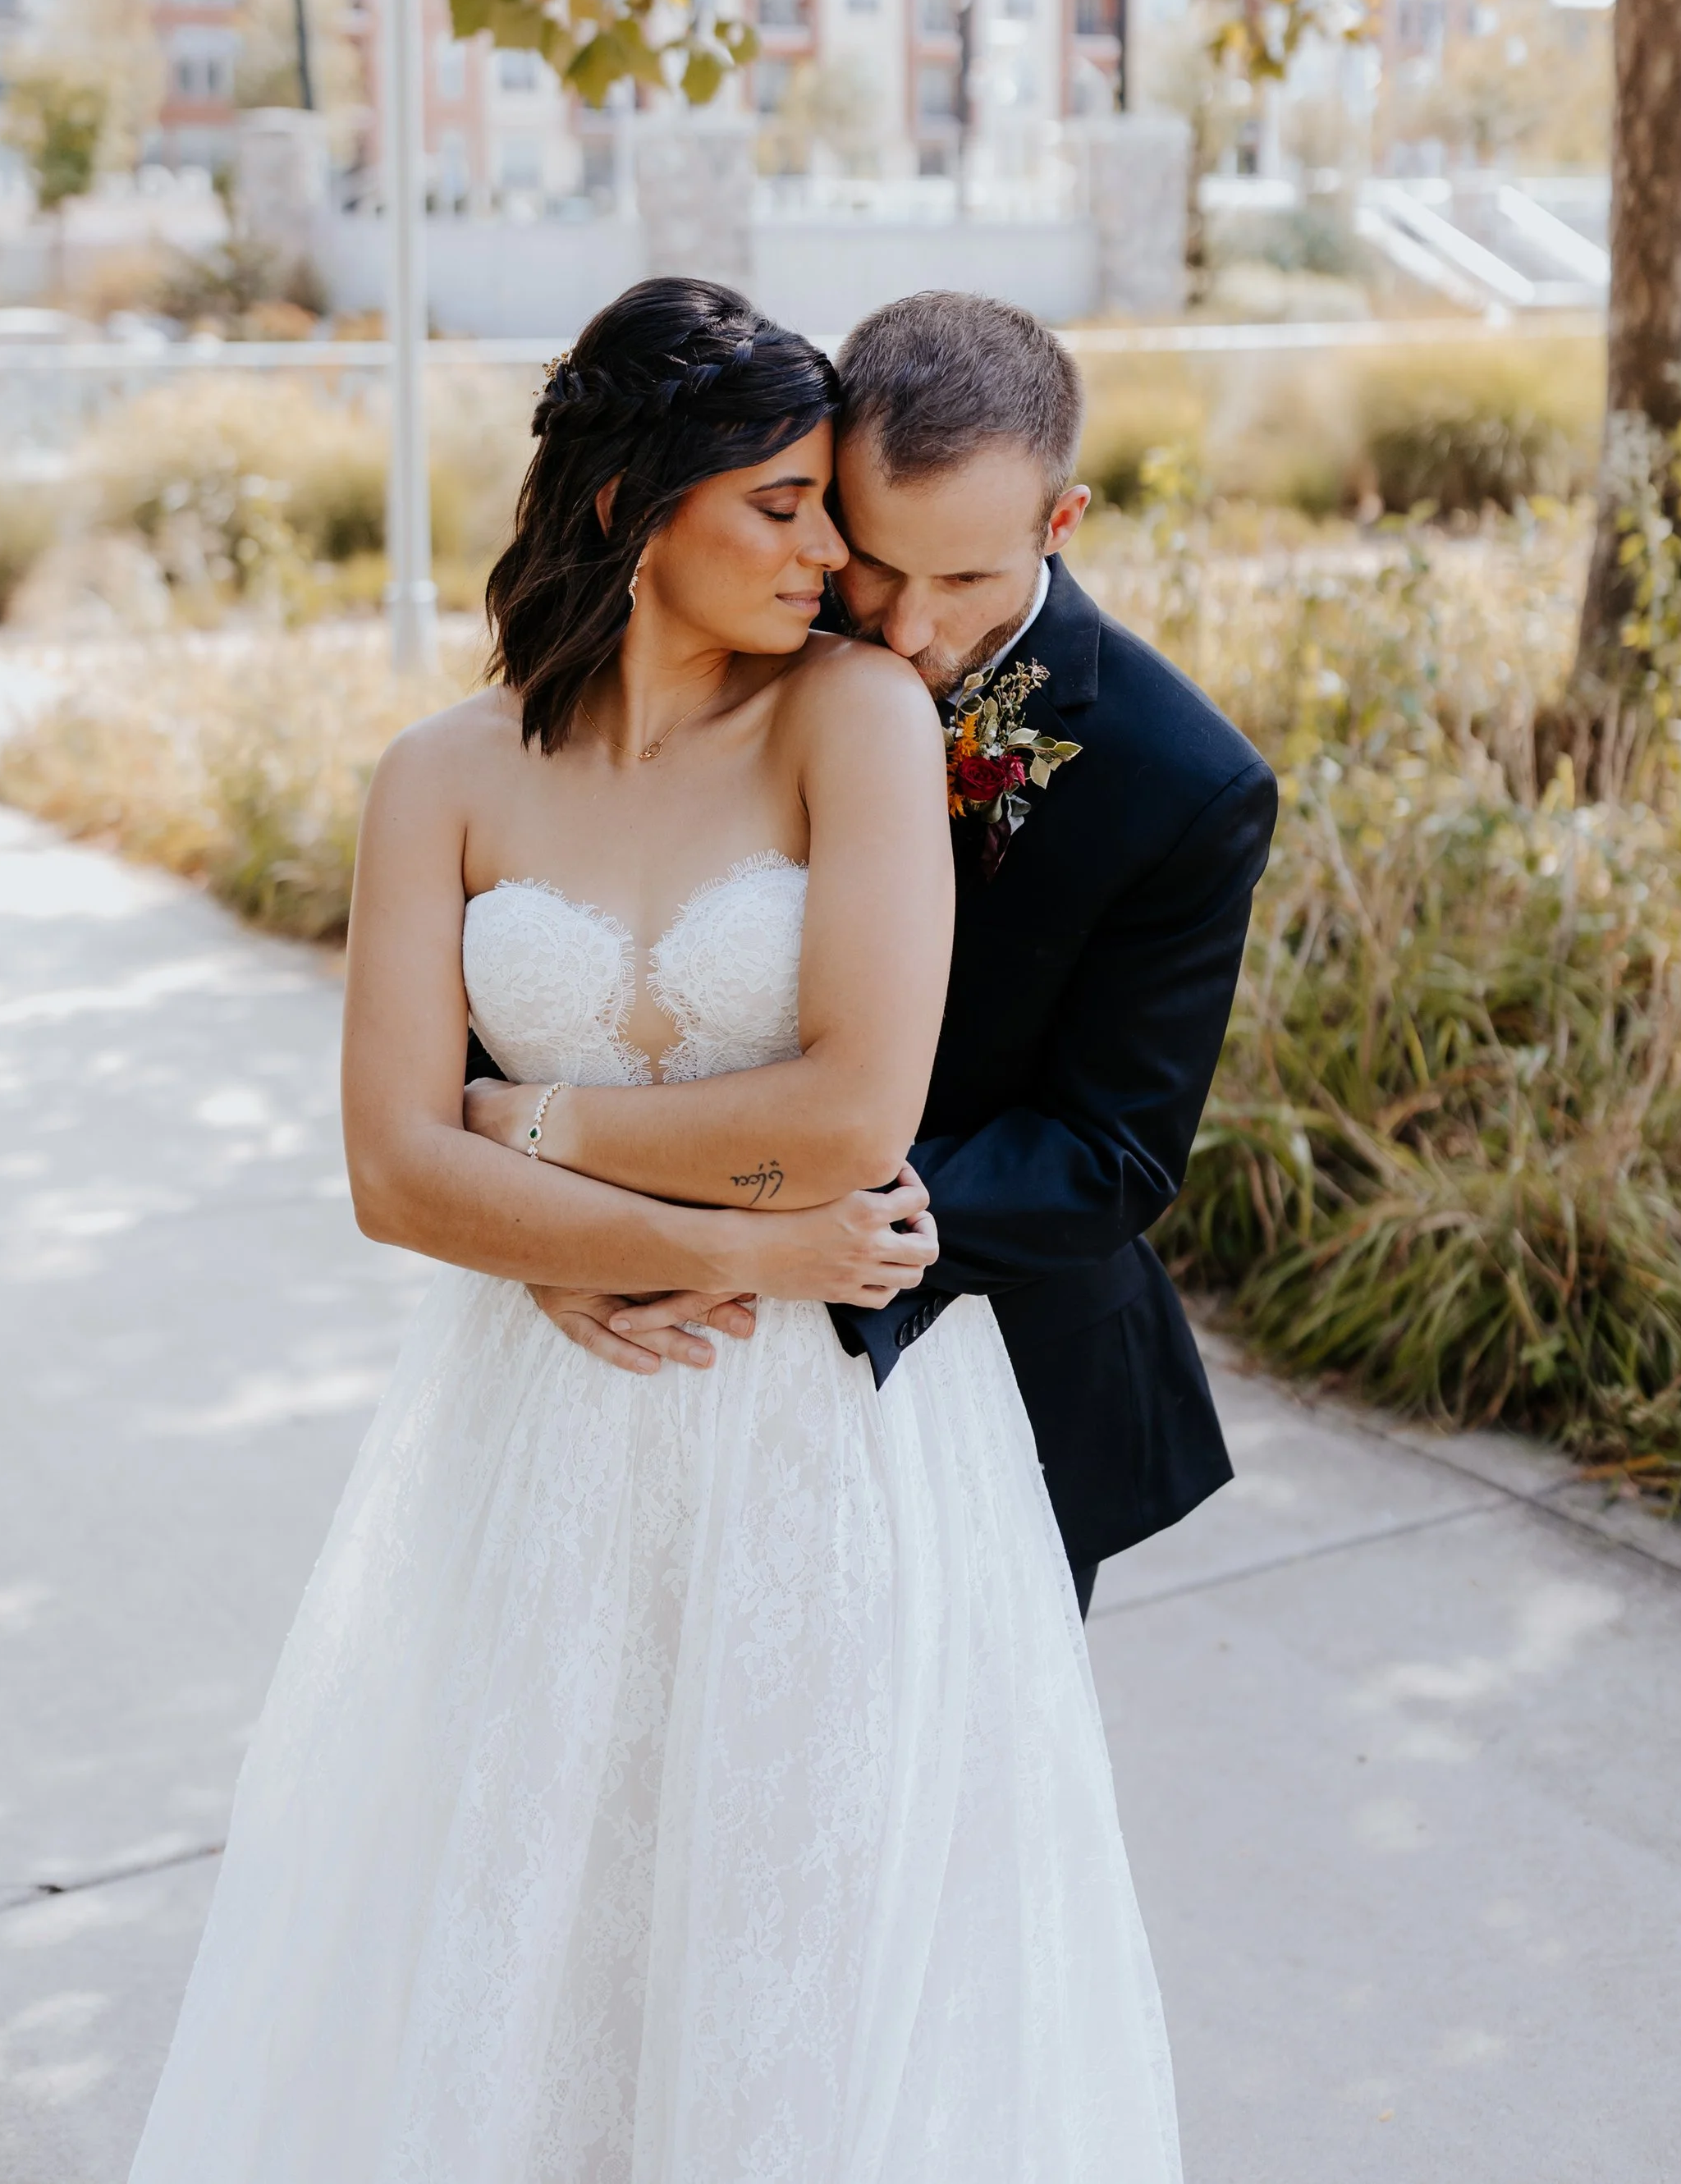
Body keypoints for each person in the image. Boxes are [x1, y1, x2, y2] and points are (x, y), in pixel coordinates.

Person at [127, 277, 1182, 2184]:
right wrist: (635, 1235)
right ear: (627, 506)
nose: (833, 557)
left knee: (799, 1963)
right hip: (529, 1438)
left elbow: (853, 1115)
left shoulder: (855, 717)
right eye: (779, 506)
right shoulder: (433, 777)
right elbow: (385, 1173)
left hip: (823, 1442)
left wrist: (521, 1146)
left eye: (823, 507)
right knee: (525, 1935)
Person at [500, 291, 1278, 1622]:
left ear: (1062, 521)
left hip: (987, 1357)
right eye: (875, 563)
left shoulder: (1184, 783)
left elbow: (1110, 1152)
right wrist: (551, 1206)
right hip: (651, 1339)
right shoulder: (745, 641)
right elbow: (572, 904)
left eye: (964, 579)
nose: (904, 630)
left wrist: (778, 1235)